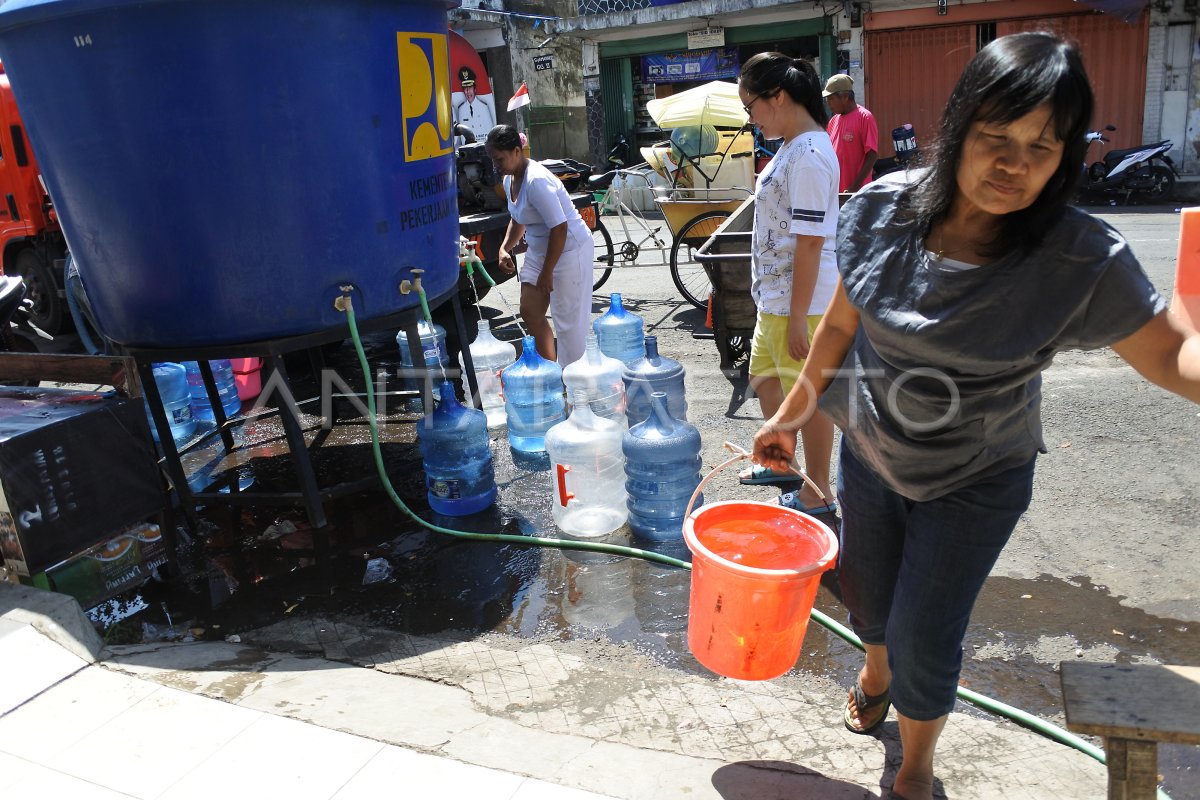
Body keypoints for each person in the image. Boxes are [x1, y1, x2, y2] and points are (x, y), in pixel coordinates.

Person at [752, 32, 1200, 800]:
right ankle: (875, 670)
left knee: (928, 633)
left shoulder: (1080, 259)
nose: (1015, 165)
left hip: (976, 478)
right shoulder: (884, 211)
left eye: (1042, 145)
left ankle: (917, 767)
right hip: (868, 452)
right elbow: (838, 327)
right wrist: (791, 417)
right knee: (864, 588)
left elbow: (1170, 355)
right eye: (996, 138)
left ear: (1065, 155)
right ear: (958, 129)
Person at [735, 53, 839, 513]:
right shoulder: (791, 145)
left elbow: (811, 243)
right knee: (763, 378)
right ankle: (782, 463)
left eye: (750, 106)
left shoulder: (811, 153)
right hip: (775, 298)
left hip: (805, 302)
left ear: (777, 96)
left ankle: (818, 490)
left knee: (809, 397)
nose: (750, 118)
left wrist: (799, 317)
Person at [487, 124, 594, 366]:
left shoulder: (537, 181)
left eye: (500, 158)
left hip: (569, 250)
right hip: (539, 250)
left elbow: (560, 228)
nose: (496, 165)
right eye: (493, 160)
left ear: (517, 151)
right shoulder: (508, 180)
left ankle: (573, 385)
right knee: (530, 311)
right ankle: (552, 372)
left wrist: (547, 272)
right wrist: (505, 247)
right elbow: (519, 217)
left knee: (568, 323)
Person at [824, 74, 878, 193]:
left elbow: (872, 156)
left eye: (831, 99)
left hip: (857, 194)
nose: (828, 103)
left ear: (845, 97)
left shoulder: (865, 117)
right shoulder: (833, 121)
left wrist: (854, 188)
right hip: (836, 192)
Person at [453, 67, 496, 144]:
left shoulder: (484, 107)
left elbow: (490, 131)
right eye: (465, 89)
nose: (468, 92)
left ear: (475, 89)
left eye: (470, 88)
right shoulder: (461, 109)